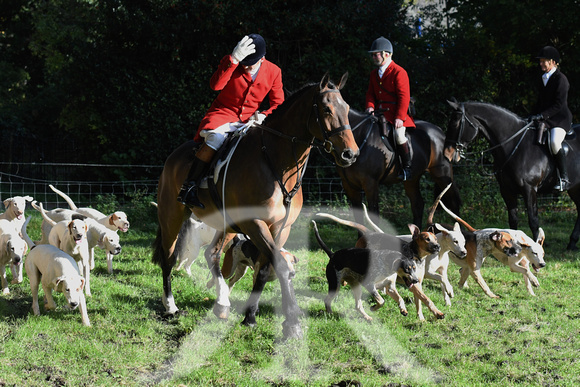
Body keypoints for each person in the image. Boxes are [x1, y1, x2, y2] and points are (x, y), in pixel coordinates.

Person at [177, 34, 284, 208]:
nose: (247, 66)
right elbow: (215, 86)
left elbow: (278, 103)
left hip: (250, 120)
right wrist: (233, 60)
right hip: (222, 115)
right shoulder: (232, 64)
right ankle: (189, 187)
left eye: (252, 63)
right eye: (245, 62)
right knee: (216, 139)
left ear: (262, 58)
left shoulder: (274, 71)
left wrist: (265, 115)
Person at [365, 36, 415, 181]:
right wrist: (370, 107)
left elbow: (404, 97)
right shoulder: (374, 74)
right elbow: (370, 94)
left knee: (399, 136)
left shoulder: (399, 72)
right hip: (378, 113)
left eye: (376, 54)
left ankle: (407, 168)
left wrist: (400, 117)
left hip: (396, 114)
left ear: (387, 54)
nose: (373, 57)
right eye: (373, 55)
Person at [528, 45, 573, 191]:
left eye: (543, 61)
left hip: (560, 119)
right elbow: (541, 101)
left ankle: (564, 178)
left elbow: (559, 105)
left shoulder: (561, 79)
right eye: (540, 61)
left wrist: (542, 115)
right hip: (546, 118)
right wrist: (531, 115)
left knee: (554, 141)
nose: (541, 64)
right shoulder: (543, 78)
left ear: (553, 62)